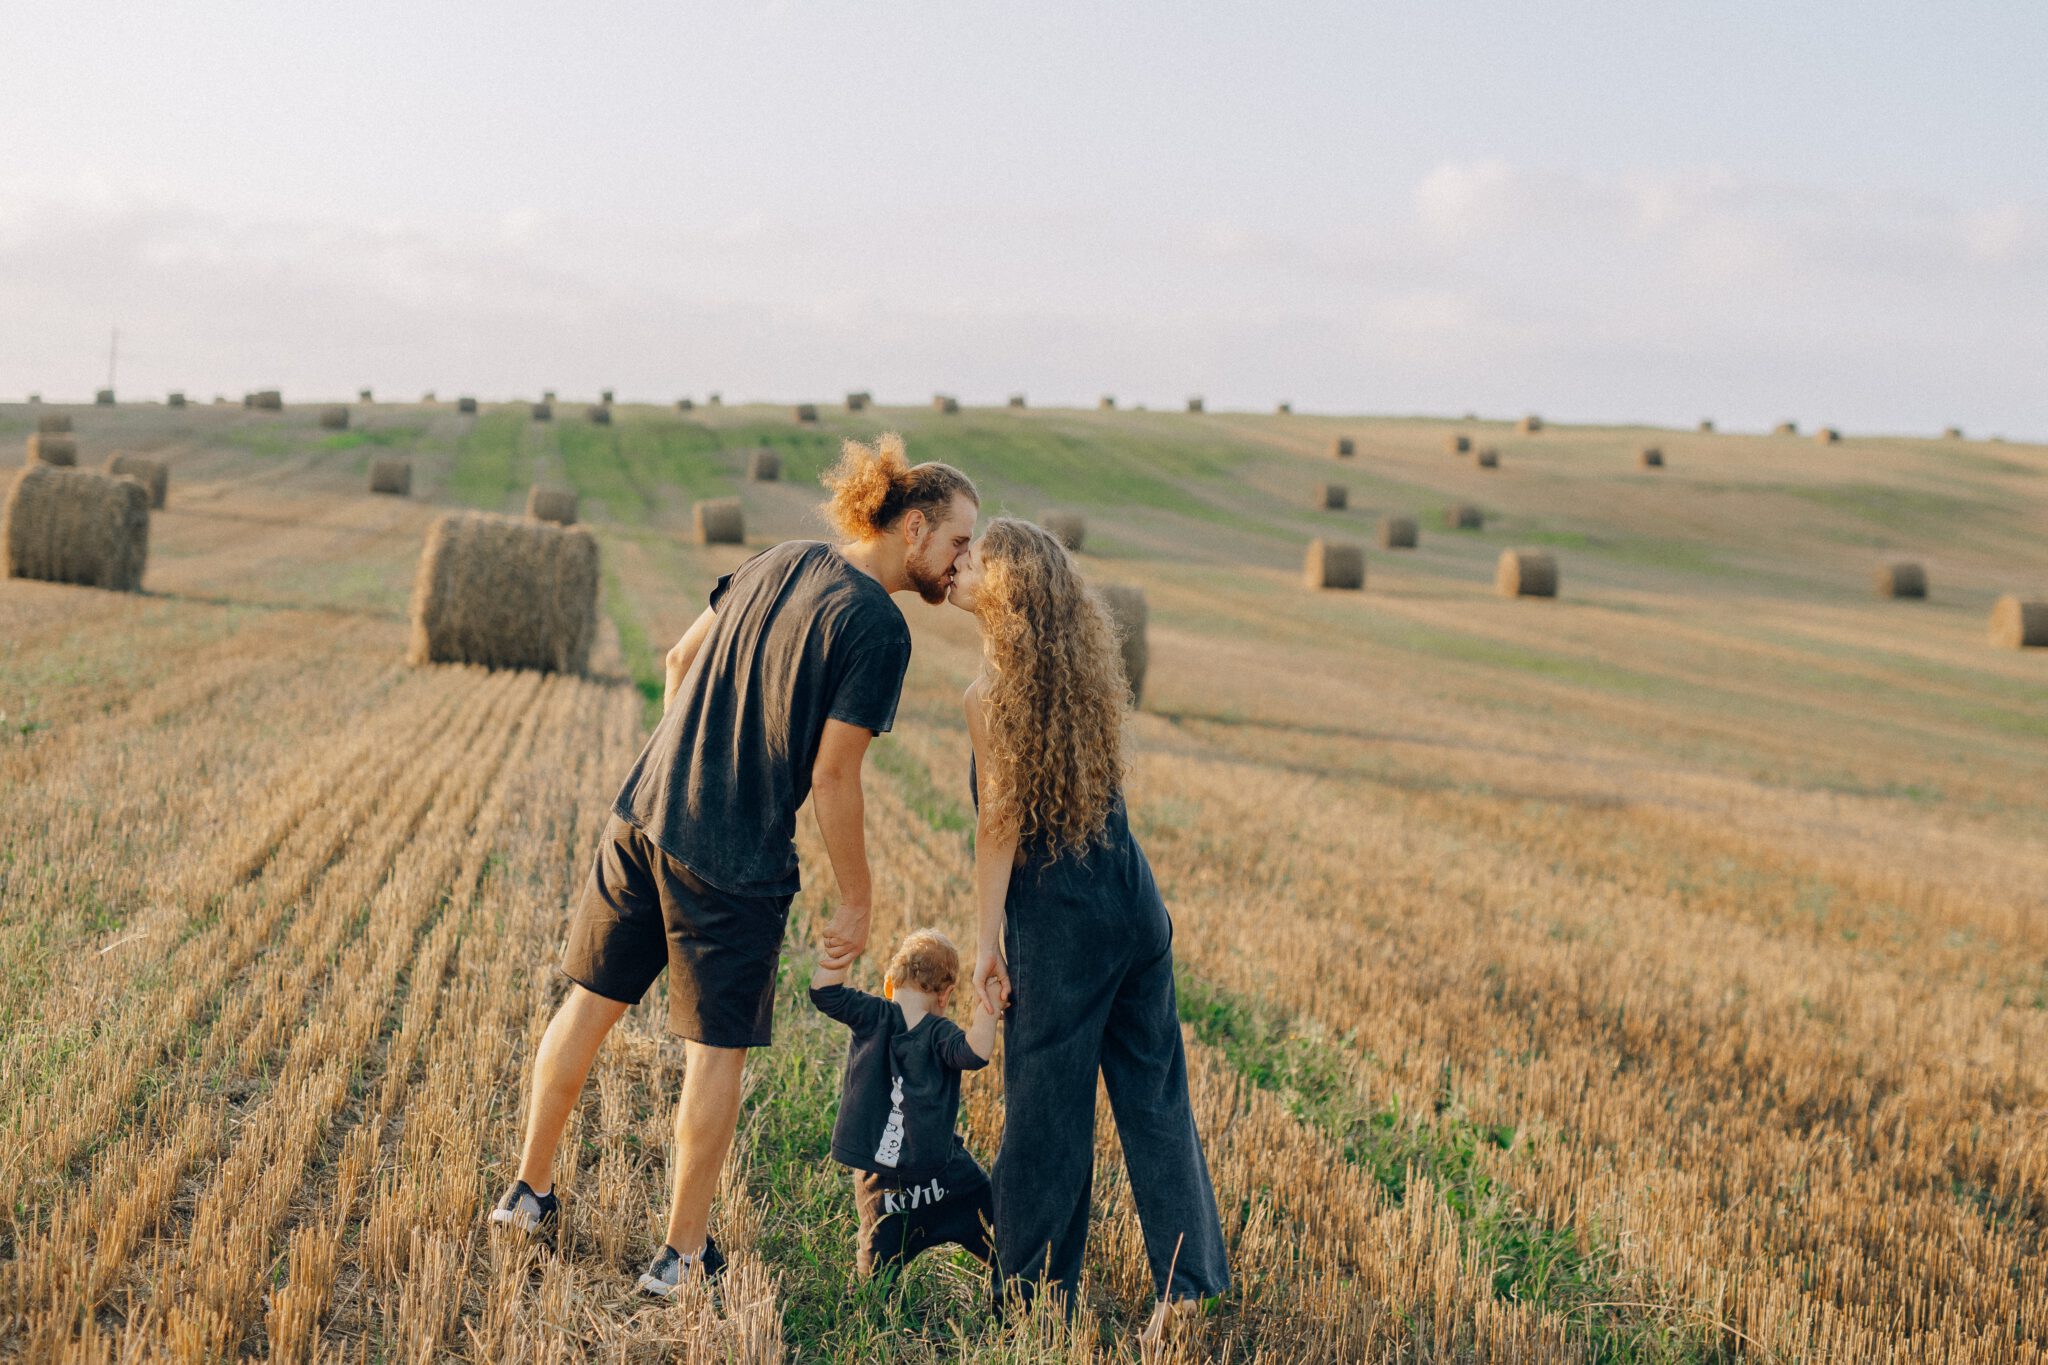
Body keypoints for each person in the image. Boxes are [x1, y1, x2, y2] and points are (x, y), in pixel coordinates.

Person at [489, 434, 978, 1297]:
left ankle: (527, 1194)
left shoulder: (781, 556)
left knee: (588, 1006)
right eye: (958, 542)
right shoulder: (877, 627)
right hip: (733, 859)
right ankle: (680, 1256)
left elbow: (679, 660)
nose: (963, 563)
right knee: (714, 1055)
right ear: (912, 528)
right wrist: (858, 902)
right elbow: (833, 774)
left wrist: (689, 767)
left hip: (644, 811)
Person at [950, 518, 1228, 1346]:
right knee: (1156, 1102)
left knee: (1044, 1115)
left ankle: (1033, 1300)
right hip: (1135, 908)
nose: (957, 563)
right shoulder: (1081, 678)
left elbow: (998, 826)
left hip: (1065, 926)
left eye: (974, 558)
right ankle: (1190, 1289)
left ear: (1005, 591)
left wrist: (984, 942)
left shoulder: (990, 696)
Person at [809, 928, 998, 1281]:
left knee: (873, 1285)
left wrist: (842, 948)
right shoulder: (941, 1033)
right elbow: (977, 1052)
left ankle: (873, 1293)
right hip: (946, 1180)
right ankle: (1018, 1285)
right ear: (946, 995)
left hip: (883, 1187)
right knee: (998, 1234)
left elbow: (824, 993)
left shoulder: (872, 1014)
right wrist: (990, 1002)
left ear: (888, 984)